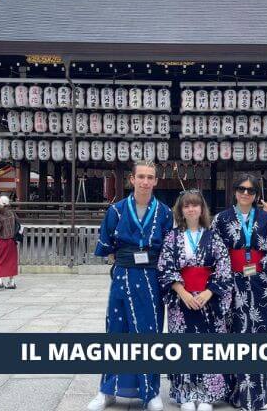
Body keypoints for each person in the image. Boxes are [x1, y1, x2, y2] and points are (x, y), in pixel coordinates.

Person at [87, 160, 173, 411]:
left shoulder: (165, 213)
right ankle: (108, 391)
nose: (146, 181)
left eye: (151, 177)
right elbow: (107, 248)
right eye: (141, 177)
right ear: (132, 180)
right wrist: (123, 261)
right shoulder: (116, 211)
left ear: (156, 181)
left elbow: (169, 250)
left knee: (150, 332)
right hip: (123, 276)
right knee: (117, 330)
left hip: (151, 279)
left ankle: (150, 392)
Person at [210, 173, 267, 411]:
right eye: (241, 189)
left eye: (251, 190)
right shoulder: (221, 219)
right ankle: (233, 391)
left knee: (260, 335)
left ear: (257, 195)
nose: (246, 193)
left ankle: (258, 394)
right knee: (232, 334)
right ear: (234, 191)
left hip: (259, 284)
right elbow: (213, 252)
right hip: (231, 283)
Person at [158, 190, 232, 411]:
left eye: (195, 205)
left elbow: (224, 267)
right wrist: (182, 292)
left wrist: (209, 293)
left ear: (202, 209)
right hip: (182, 300)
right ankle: (185, 394)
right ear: (181, 210)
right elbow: (165, 267)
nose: (191, 209)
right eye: (186, 206)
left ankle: (208, 395)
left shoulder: (213, 235)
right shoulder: (172, 237)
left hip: (208, 299)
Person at [0, 195, 19, 291]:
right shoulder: (12, 213)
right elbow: (18, 224)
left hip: (1, 240)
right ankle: (11, 281)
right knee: (11, 260)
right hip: (12, 240)